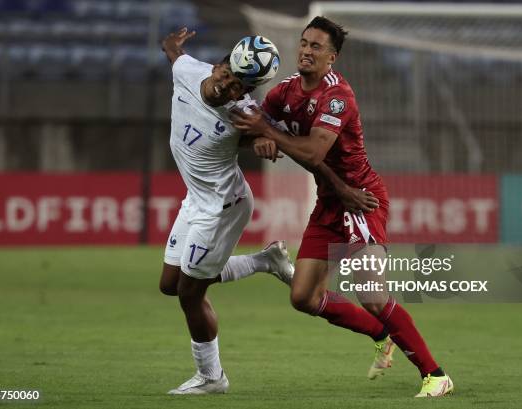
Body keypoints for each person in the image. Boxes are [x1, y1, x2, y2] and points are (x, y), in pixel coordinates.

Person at [231, 16, 454, 397]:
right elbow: (255, 125)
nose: (306, 50)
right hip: (330, 204)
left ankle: (436, 375)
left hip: (361, 198)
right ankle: (381, 333)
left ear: (331, 57)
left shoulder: (338, 96)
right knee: (303, 297)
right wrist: (259, 139)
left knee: (371, 293)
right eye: (304, 43)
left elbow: (314, 151)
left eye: (316, 46)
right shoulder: (283, 92)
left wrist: (268, 133)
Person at [158, 28, 296, 395]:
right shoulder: (188, 71)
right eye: (226, 75)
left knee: (190, 293)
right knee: (169, 285)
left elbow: (270, 136)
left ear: (246, 92)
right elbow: (171, 50)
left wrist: (266, 137)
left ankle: (212, 377)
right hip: (196, 198)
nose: (226, 87)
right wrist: (174, 40)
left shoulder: (243, 114)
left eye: (238, 86)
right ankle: (266, 262)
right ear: (218, 65)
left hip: (222, 207)